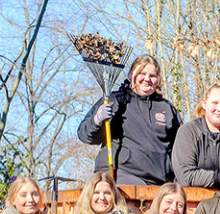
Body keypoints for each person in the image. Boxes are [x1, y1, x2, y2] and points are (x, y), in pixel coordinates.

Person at [77, 55, 182, 186]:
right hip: (122, 173)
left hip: (159, 180)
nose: (147, 79)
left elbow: (180, 147)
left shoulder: (166, 108)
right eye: (142, 74)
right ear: (131, 75)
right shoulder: (115, 100)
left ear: (158, 79)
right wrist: (96, 120)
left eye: (152, 75)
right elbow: (84, 135)